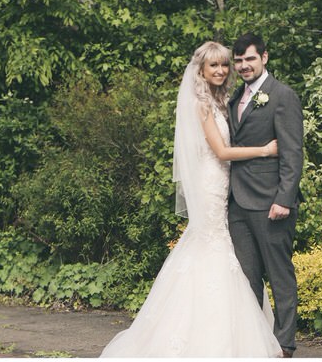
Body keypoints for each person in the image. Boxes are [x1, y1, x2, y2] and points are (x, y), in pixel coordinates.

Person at [100, 42, 283, 357]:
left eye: (224, 65)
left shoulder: (222, 100)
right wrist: (265, 150)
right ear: (200, 70)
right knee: (215, 251)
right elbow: (222, 152)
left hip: (227, 184)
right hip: (212, 185)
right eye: (214, 66)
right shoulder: (201, 105)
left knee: (224, 252)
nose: (222, 70)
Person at [228, 34, 304, 358]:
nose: (244, 66)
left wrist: (284, 198)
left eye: (250, 59)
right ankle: (255, 340)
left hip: (271, 202)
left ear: (265, 58)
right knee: (247, 280)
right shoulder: (235, 98)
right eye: (239, 60)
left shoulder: (282, 96)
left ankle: (284, 345)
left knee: (279, 275)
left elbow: (293, 151)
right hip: (238, 203)